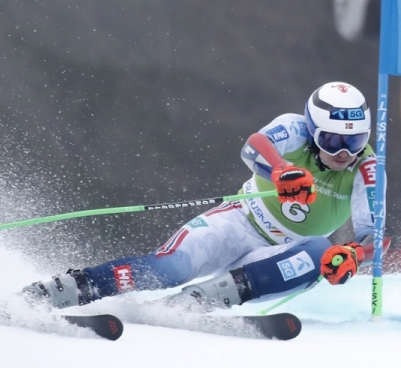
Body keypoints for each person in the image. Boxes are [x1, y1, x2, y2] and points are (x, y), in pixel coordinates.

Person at [22, 81, 380, 312]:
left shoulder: (366, 169)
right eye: (333, 140)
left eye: (355, 140)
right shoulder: (295, 128)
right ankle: (68, 288)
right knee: (171, 267)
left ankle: (191, 306)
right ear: (314, 129)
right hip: (239, 221)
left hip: (279, 254)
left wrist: (354, 253)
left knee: (319, 250)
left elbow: (375, 238)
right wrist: (279, 170)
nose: (344, 151)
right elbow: (254, 146)